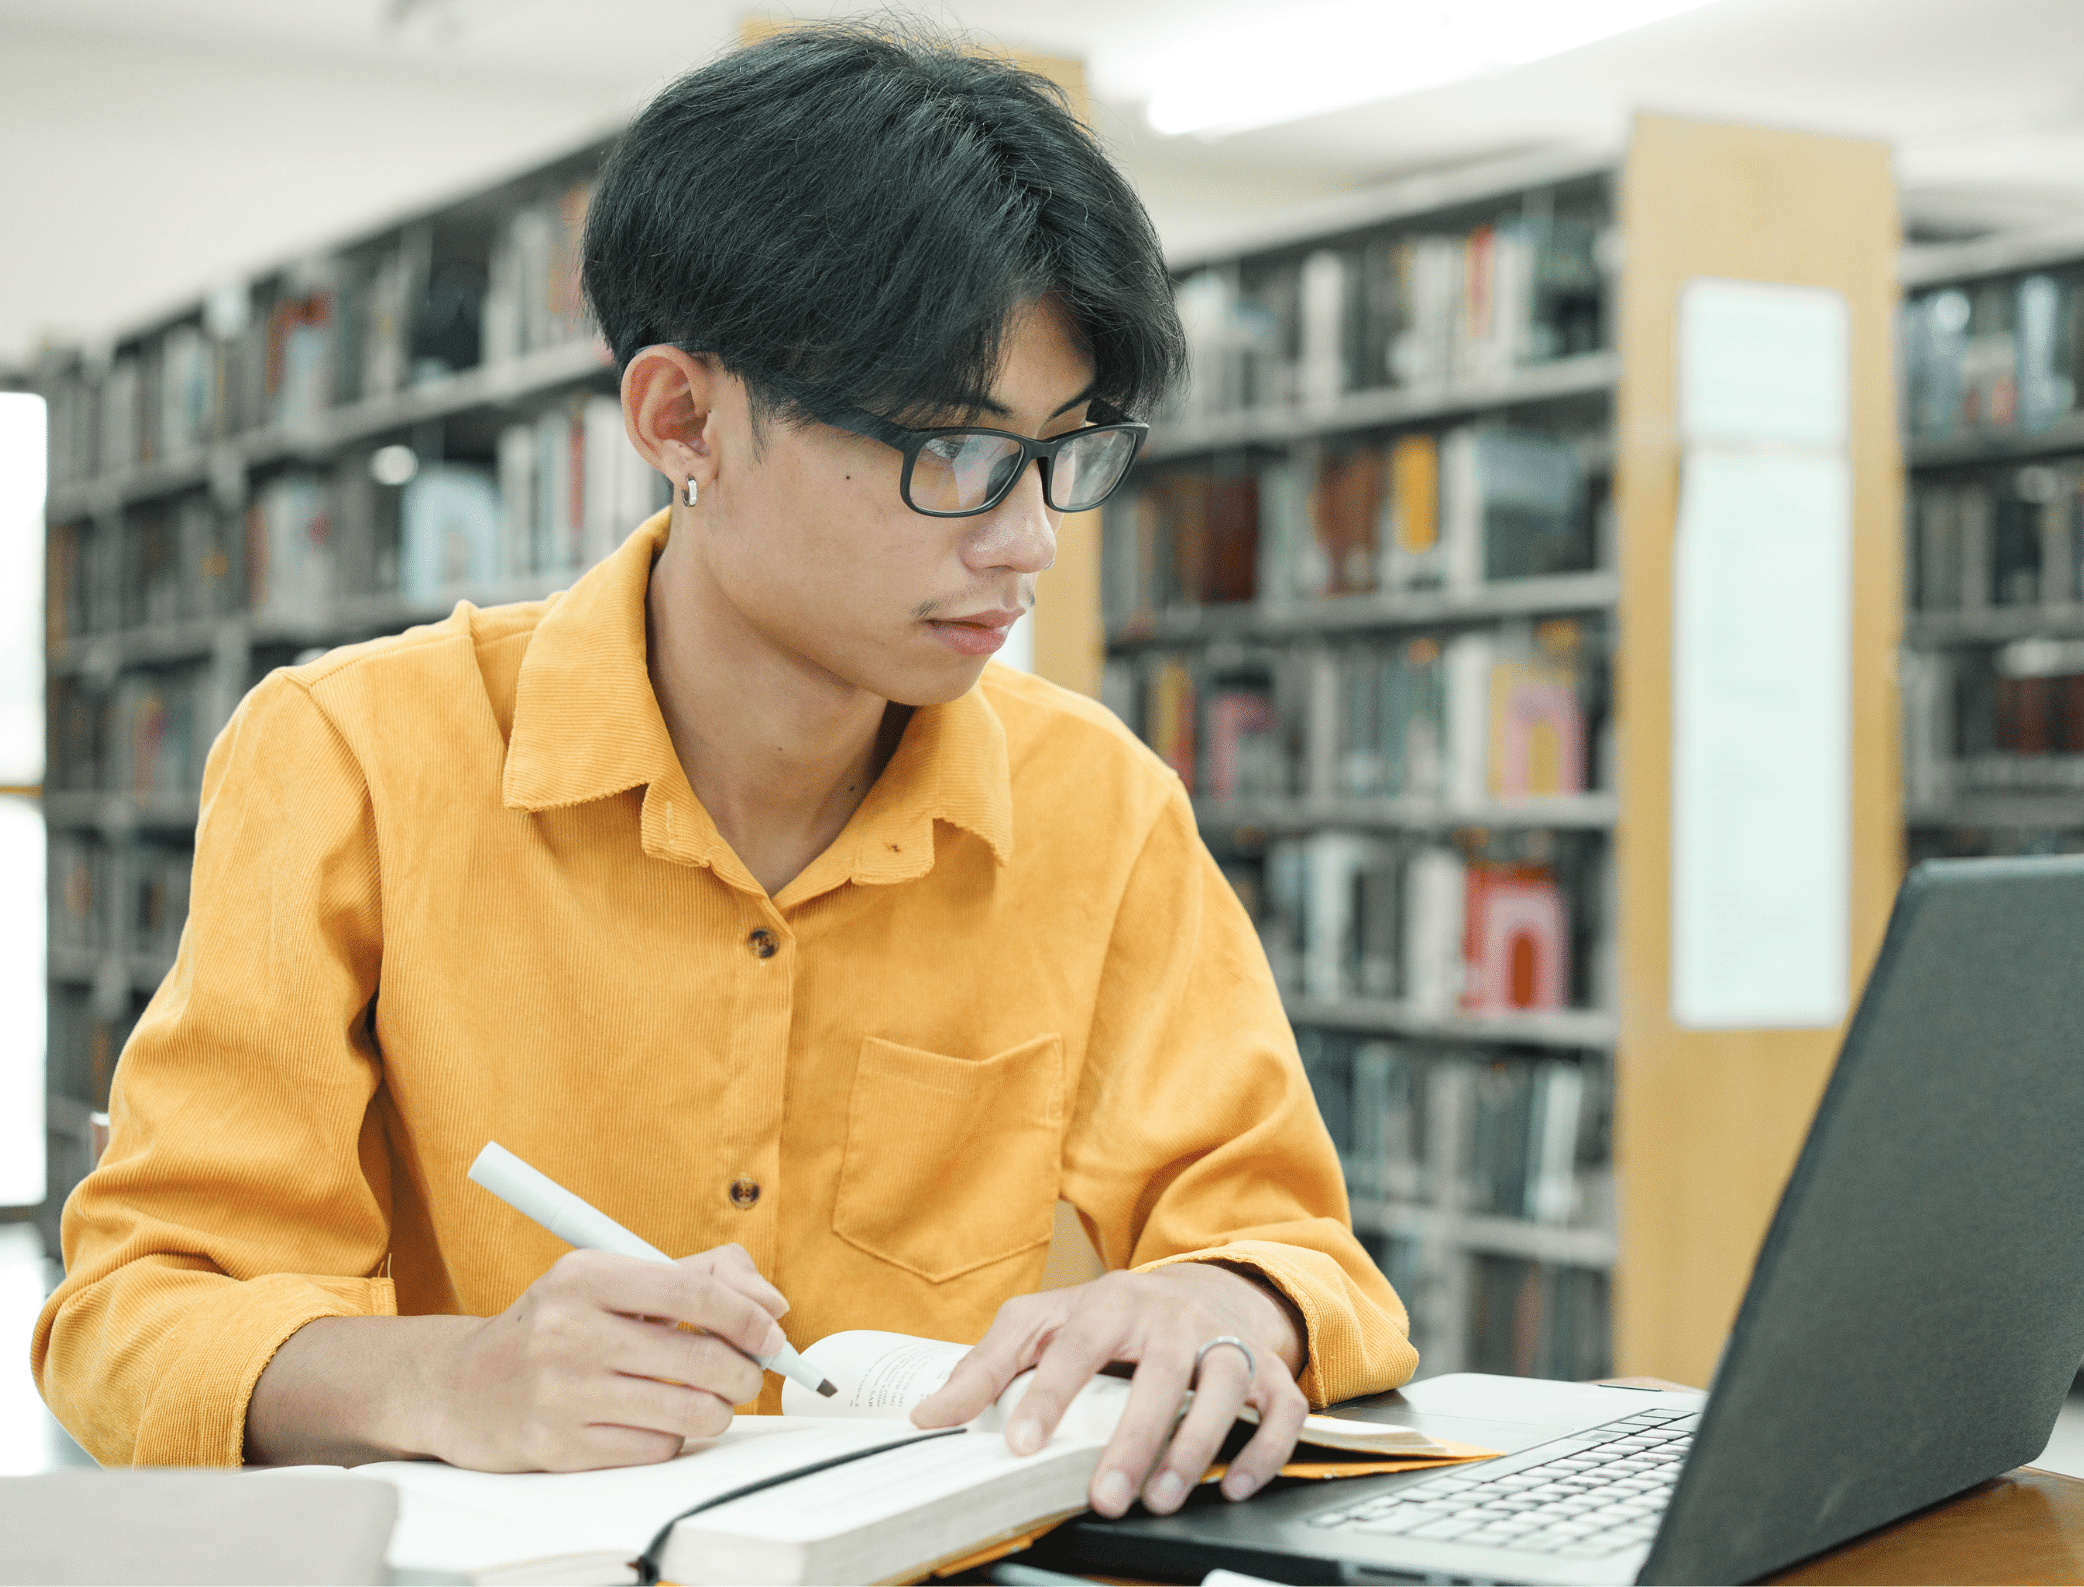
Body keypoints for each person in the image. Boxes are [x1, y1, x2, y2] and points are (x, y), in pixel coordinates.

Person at [33, 22, 1414, 1521]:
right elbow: (134, 1312)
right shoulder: (357, 756)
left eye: (1065, 451)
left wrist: (1227, 1302)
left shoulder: (1102, 806)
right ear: (681, 418)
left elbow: (1295, 1247)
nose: (1025, 540)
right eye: (950, 450)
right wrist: (448, 1379)